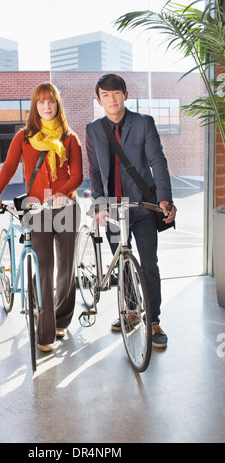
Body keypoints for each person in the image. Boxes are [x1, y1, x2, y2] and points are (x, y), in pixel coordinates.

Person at [0, 82, 83, 352]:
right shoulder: (24, 137)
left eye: (51, 101)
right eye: (41, 102)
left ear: (57, 104)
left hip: (66, 208)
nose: (46, 106)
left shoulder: (70, 138)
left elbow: (77, 176)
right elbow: (8, 167)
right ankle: (45, 332)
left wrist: (61, 193)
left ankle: (62, 319)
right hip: (36, 208)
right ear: (34, 106)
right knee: (44, 269)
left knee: (66, 268)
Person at [86, 74, 176, 348]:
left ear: (125, 94)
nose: (111, 99)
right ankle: (132, 311)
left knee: (148, 264)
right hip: (112, 210)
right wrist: (99, 205)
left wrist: (164, 199)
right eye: (105, 95)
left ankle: (153, 321)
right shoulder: (93, 129)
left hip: (142, 206)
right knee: (122, 264)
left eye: (116, 93)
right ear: (99, 100)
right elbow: (95, 171)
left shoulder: (143, 123)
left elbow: (157, 160)